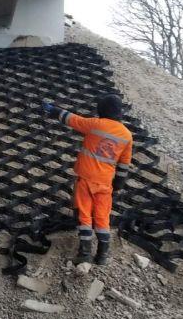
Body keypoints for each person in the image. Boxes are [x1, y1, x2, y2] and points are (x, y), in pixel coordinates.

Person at [42, 94, 132, 266]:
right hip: (106, 184)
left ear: (102, 109)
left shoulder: (95, 125)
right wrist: (118, 184)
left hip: (86, 179)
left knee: (84, 215)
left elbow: (73, 119)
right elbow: (124, 164)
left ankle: (84, 253)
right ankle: (102, 255)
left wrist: (53, 110)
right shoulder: (127, 135)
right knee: (102, 217)